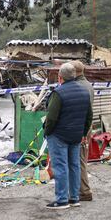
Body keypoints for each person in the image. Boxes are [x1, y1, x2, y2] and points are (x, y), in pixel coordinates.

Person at [44, 63, 92, 209]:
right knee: (74, 165)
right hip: (76, 135)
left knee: (61, 167)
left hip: (59, 135)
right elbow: (89, 116)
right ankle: (74, 197)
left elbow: (51, 118)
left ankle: (62, 200)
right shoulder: (84, 91)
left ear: (60, 77)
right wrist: (83, 133)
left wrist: (47, 132)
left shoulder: (58, 93)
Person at [70, 60, 94, 201]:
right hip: (85, 127)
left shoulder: (79, 86)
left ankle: (84, 191)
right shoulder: (87, 85)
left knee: (79, 160)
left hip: (80, 128)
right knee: (80, 159)